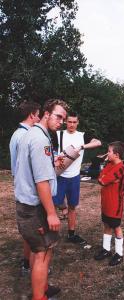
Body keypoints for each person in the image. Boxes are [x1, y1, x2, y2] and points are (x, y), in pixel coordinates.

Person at [14, 99, 69, 300]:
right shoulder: (40, 140)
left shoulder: (31, 134)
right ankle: (39, 297)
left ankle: (43, 288)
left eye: (63, 118)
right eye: (58, 116)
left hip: (27, 205)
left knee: (44, 250)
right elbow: (42, 181)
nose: (61, 121)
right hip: (34, 208)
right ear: (46, 113)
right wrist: (52, 213)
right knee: (42, 253)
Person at [53, 112, 102, 244]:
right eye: (69, 122)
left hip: (74, 177)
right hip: (60, 176)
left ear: (78, 122)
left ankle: (71, 234)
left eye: (74, 122)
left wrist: (81, 146)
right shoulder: (58, 134)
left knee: (73, 207)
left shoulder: (82, 136)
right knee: (53, 205)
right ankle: (50, 235)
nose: (72, 125)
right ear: (65, 122)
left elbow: (97, 142)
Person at [9, 100, 41, 273]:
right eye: (38, 114)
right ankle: (31, 266)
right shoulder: (24, 136)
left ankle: (27, 262)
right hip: (28, 191)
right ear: (32, 115)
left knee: (29, 231)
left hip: (22, 188)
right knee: (34, 232)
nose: (39, 118)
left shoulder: (17, 134)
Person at [94, 141, 124, 266]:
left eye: (109, 152)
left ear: (116, 154)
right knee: (107, 224)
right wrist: (103, 177)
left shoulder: (120, 168)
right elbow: (100, 177)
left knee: (116, 227)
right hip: (106, 202)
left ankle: (119, 254)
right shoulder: (110, 164)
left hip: (115, 204)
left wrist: (104, 178)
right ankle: (106, 249)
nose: (107, 154)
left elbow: (103, 180)